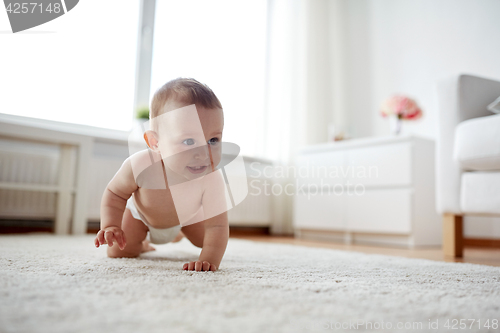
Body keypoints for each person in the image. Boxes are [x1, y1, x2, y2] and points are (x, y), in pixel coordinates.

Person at [94, 78, 229, 272]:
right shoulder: (140, 165)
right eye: (189, 141)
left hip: (188, 218)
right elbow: (115, 193)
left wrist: (208, 260)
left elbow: (218, 226)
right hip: (140, 216)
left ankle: (178, 233)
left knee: (207, 241)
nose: (204, 153)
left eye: (213, 140)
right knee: (119, 251)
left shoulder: (212, 178)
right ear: (155, 142)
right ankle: (143, 245)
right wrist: (110, 225)